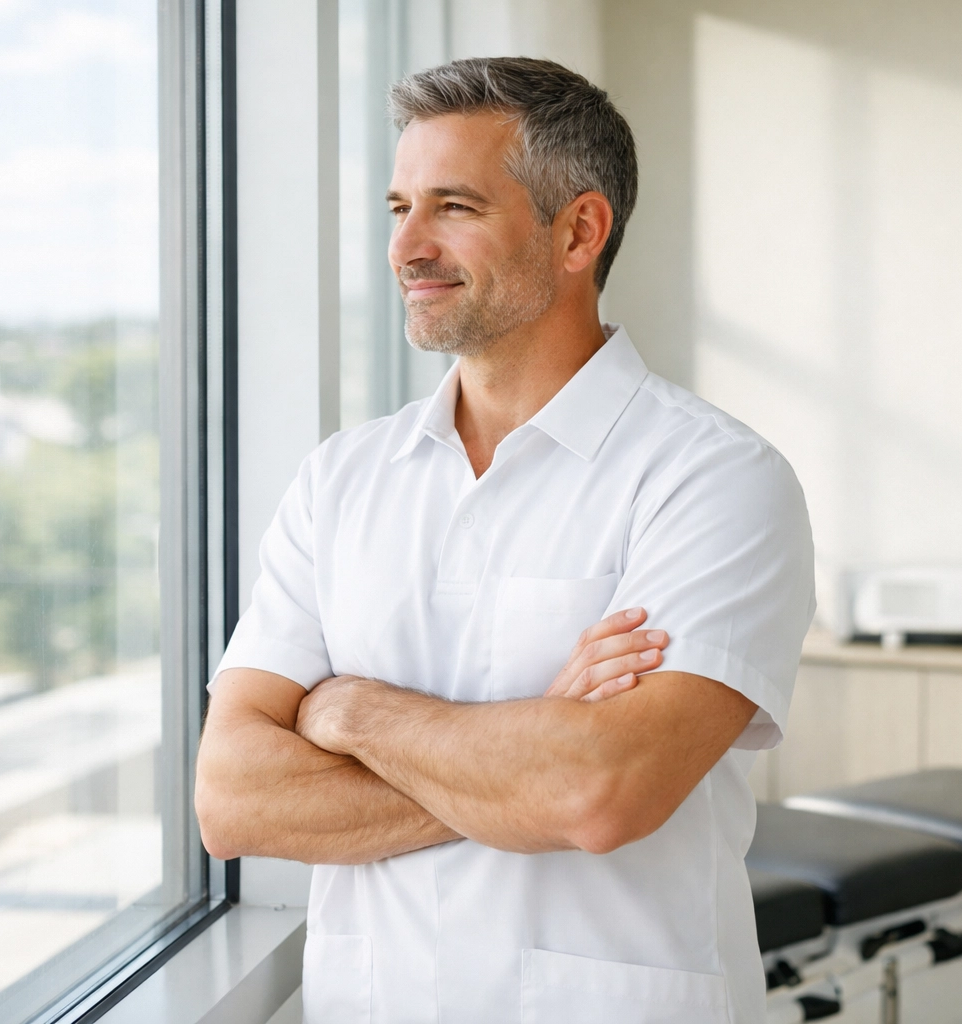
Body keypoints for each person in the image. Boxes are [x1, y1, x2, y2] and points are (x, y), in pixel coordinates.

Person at [194, 56, 814, 1024]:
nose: (408, 246)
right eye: (398, 206)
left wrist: (352, 714)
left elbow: (599, 796)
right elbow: (235, 802)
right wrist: (531, 748)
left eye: (454, 206)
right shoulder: (340, 480)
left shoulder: (717, 479)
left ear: (579, 230)